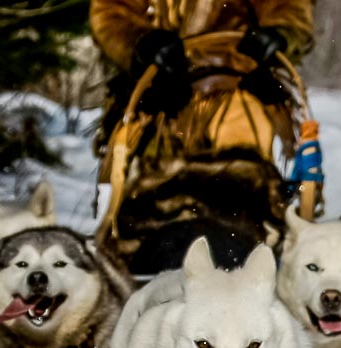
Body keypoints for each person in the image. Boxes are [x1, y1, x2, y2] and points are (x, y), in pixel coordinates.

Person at [91, 0, 315, 273]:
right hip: (157, 94)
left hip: (240, 89)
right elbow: (111, 11)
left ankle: (248, 256)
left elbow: (288, 7)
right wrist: (140, 42)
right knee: (147, 201)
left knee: (241, 192)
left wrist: (280, 33)